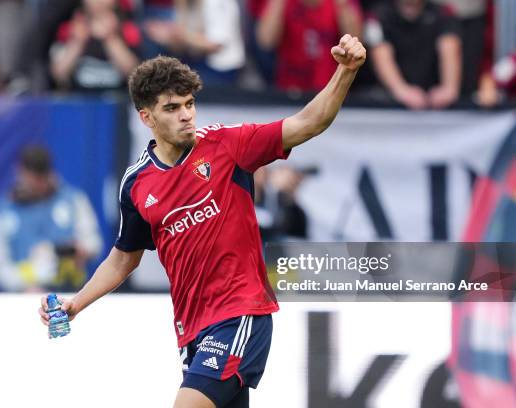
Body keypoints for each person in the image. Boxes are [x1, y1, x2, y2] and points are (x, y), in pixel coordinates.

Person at [39, 35, 366, 408]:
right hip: (191, 330)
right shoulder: (136, 184)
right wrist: (76, 304)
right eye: (172, 107)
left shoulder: (229, 146)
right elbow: (124, 257)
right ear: (146, 117)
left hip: (240, 313)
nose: (186, 115)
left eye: (190, 104)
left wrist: (346, 70)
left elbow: (309, 122)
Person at [0, 145, 103, 292]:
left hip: (71, 295)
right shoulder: (3, 212)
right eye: (33, 179)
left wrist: (79, 250)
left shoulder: (73, 200)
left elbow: (94, 244)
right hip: (23, 297)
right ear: (20, 172)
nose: (38, 184)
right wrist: (24, 287)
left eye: (42, 178)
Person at [365, 0, 462, 109]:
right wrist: (401, 90)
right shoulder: (376, 15)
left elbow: (449, 47)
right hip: (390, 102)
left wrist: (448, 88)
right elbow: (380, 53)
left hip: (435, 101)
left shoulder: (444, 12)